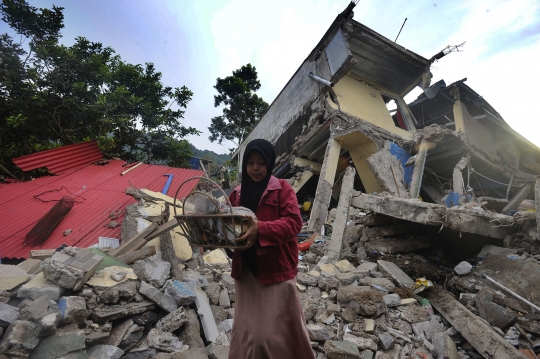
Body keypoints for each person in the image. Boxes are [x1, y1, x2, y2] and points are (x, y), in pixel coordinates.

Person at [227, 139, 315, 359]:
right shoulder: (237, 194)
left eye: (261, 163)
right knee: (248, 331)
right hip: (246, 272)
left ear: (270, 164)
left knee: (269, 335)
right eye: (250, 163)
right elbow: (228, 226)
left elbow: (294, 222)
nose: (255, 168)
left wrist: (261, 229)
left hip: (275, 270)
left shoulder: (282, 189)